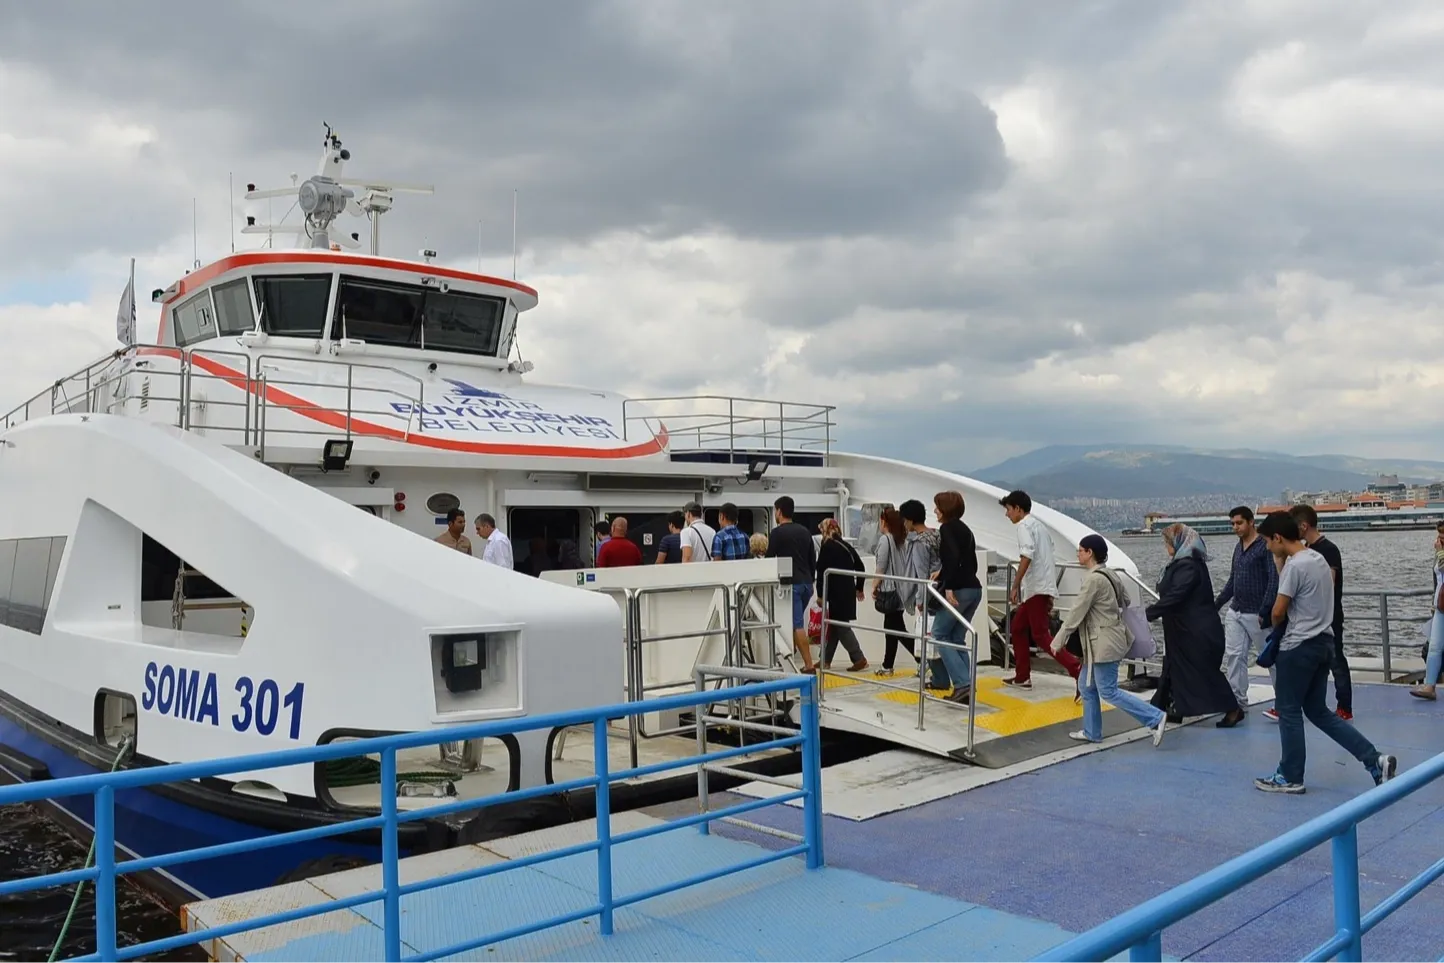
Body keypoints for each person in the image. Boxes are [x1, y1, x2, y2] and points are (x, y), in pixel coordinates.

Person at [1254, 512, 1396, 793]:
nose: (1268, 548)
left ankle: (1291, 776)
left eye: (1268, 542)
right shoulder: (1317, 558)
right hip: (1324, 644)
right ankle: (1374, 760)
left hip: (1298, 647)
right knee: (1318, 711)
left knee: (1288, 711)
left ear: (1278, 537)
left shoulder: (1295, 566)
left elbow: (1278, 611)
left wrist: (1277, 625)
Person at [1056, 535, 1167, 746]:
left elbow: (1076, 612)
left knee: (1108, 690)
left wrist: (1058, 640)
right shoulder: (1111, 574)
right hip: (1104, 640)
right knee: (1086, 686)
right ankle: (1092, 732)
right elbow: (1126, 600)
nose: (1078, 554)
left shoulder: (1093, 580)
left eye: (1080, 550)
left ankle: (1155, 717)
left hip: (1103, 642)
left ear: (1090, 553)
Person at [1146, 524, 1238, 722]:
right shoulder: (1183, 564)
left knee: (1202, 669)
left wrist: (1149, 613)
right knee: (1175, 668)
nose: (1166, 546)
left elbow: (1177, 595)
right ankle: (1168, 709)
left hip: (1193, 630)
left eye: (1167, 542)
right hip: (1182, 629)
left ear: (1179, 543)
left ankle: (1232, 707)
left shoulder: (1188, 566)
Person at [1001, 490, 1079, 688]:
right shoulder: (1040, 527)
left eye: (1009, 509)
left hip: (1036, 588)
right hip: (1042, 587)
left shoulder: (1023, 526)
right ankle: (1022, 675)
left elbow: (1026, 555)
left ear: (1018, 509)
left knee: (1041, 635)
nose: (1007, 514)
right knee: (1018, 628)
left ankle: (1075, 668)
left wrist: (1015, 585)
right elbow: (1047, 556)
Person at [1214, 506, 1277, 726]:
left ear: (1251, 522)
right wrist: (1217, 604)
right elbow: (1233, 580)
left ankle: (1284, 702)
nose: (1235, 527)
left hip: (1258, 614)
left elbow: (1273, 579)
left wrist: (1266, 609)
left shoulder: (1264, 546)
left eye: (1239, 523)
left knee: (1270, 658)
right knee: (1234, 656)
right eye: (1232, 523)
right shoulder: (1238, 547)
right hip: (1236, 610)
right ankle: (1237, 704)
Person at [1289, 505, 1351, 720]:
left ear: (1303, 526)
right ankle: (1308, 702)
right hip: (1310, 616)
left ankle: (1345, 706)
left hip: (1330, 615)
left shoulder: (1328, 550)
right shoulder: (1305, 550)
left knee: (1336, 660)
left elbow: (1329, 584)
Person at [924, 491, 983, 704]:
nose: (935, 511)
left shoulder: (947, 529)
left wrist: (948, 586)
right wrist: (943, 573)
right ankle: (967, 686)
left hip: (959, 591)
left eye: (938, 507)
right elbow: (969, 562)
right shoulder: (965, 529)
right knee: (957, 638)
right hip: (974, 589)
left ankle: (963, 684)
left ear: (945, 509)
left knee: (939, 635)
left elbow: (952, 557)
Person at [766, 496, 818, 672]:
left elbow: (769, 559)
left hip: (791, 585)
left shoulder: (777, 533)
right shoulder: (805, 531)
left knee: (796, 625)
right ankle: (792, 652)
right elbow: (812, 559)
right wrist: (811, 580)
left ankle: (809, 664)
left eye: (775, 510)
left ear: (779, 511)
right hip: (807, 584)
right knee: (793, 621)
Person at [815, 518, 868, 672]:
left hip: (835, 593)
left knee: (842, 627)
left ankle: (859, 658)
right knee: (835, 626)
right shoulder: (846, 546)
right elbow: (860, 566)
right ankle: (825, 660)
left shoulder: (827, 546)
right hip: (848, 590)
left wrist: (820, 595)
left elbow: (821, 571)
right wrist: (859, 588)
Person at [872, 506, 915, 676]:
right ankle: (887, 665)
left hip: (890, 591)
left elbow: (881, 566)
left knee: (896, 630)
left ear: (884, 521)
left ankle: (922, 659)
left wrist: (875, 586)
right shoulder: (902, 540)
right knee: (893, 628)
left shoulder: (886, 539)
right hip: (901, 591)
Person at [1408, 528, 1444, 700]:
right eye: (1439, 537)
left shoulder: (1441, 554)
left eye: (1442, 538)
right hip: (1440, 607)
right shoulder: (1439, 555)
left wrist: (1441, 553)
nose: (1438, 541)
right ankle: (1430, 686)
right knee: (1434, 646)